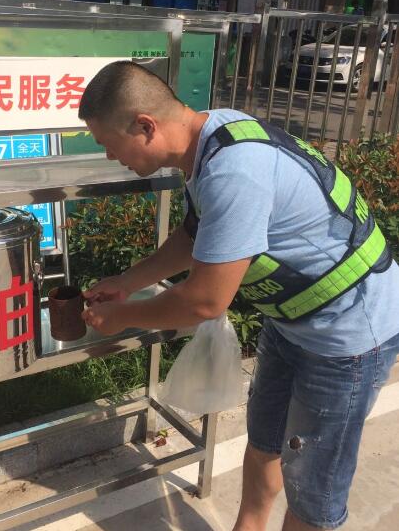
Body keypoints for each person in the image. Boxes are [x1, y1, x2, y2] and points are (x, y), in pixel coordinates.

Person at [77, 60, 399, 531]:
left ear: (145, 126)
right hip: (292, 319)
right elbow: (196, 235)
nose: (109, 157)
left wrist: (125, 316)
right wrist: (127, 281)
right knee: (265, 440)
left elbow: (204, 301)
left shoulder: (234, 172)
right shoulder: (209, 138)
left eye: (108, 143)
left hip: (348, 332)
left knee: (312, 486)